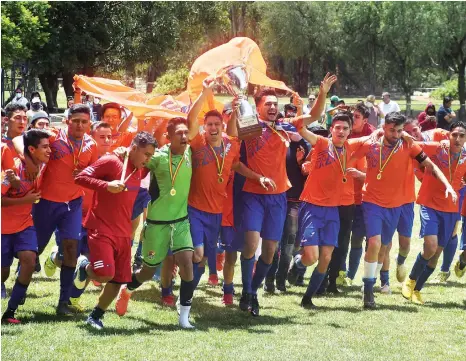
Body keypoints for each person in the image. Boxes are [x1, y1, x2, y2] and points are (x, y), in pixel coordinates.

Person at [237, 73, 337, 316]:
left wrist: (322, 93)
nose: (272, 107)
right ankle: (248, 292)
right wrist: (257, 177)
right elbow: (236, 158)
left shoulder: (285, 126)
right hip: (252, 194)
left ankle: (253, 290)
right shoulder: (251, 126)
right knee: (251, 245)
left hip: (278, 196)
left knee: (270, 251)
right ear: (258, 107)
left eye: (275, 104)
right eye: (267, 104)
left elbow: (313, 116)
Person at [348, 111, 455, 309]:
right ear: (383, 127)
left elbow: (429, 163)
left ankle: (375, 279)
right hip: (371, 202)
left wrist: (447, 184)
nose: (396, 134)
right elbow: (345, 149)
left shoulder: (408, 145)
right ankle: (369, 290)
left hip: (396, 206)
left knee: (384, 247)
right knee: (374, 242)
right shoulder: (371, 143)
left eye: (399, 131)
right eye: (391, 130)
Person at [186, 79, 275, 292]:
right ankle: (185, 293)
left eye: (217, 124)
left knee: (216, 255)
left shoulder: (231, 145)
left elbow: (237, 165)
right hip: (195, 209)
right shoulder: (198, 142)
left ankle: (224, 289)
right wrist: (205, 91)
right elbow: (190, 119)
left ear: (222, 126)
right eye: (209, 125)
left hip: (218, 211)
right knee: (198, 255)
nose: (213, 128)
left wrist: (257, 177)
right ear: (204, 127)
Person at [13, 104, 99, 316]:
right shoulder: (52, 136)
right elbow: (18, 139)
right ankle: (19, 288)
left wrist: (88, 172)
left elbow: (95, 171)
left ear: (89, 124)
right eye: (76, 120)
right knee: (35, 250)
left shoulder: (91, 144)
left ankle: (63, 302)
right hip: (47, 202)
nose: (79, 125)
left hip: (73, 203)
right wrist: (28, 159)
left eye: (84, 122)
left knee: (71, 248)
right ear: (67, 120)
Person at [114, 117, 196, 329]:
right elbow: (136, 160)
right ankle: (127, 290)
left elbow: (194, 119)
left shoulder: (189, 151)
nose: (185, 137)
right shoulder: (158, 157)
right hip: (157, 224)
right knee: (147, 272)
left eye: (186, 132)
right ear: (168, 137)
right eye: (179, 133)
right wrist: (123, 152)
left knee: (188, 264)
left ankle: (184, 317)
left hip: (181, 222)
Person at [72, 132, 156, 330]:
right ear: (133, 148)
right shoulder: (111, 161)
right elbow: (80, 177)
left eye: (151, 156)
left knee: (118, 280)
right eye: (146, 154)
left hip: (124, 233)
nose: (148, 159)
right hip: (101, 228)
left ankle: (95, 316)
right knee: (104, 274)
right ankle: (84, 266)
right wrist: (106, 185)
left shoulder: (140, 169)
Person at [287, 111, 364, 308]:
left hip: (332, 210)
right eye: (337, 127)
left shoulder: (350, 147)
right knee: (311, 257)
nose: (341, 131)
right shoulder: (321, 143)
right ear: (331, 130)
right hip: (312, 206)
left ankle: (308, 298)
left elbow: (373, 137)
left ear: (349, 131)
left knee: (327, 257)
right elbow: (300, 128)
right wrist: (321, 96)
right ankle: (297, 263)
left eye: (345, 128)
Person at [43, 122, 113, 310]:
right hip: (74, 214)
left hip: (96, 219)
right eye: (102, 137)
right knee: (69, 256)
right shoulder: (80, 154)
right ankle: (54, 257)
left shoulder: (114, 160)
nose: (106, 141)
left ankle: (73, 298)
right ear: (92, 138)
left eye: (109, 137)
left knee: (91, 259)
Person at [402, 120, 466, 304]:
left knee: (436, 254)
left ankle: (418, 290)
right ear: (448, 135)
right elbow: (412, 145)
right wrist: (404, 135)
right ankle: (411, 280)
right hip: (429, 203)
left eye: (462, 136)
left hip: (451, 209)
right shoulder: (437, 148)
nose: (458, 139)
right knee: (430, 246)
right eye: (454, 134)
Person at [1, 129, 51, 324]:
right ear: (32, 149)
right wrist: (26, 199)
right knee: (3, 273)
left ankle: (10, 312)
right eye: (45, 147)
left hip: (24, 224)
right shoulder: (12, 170)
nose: (49, 151)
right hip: (3, 228)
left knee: (29, 260)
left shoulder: (44, 166)